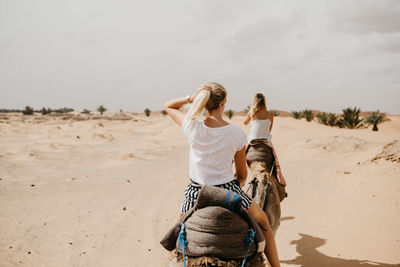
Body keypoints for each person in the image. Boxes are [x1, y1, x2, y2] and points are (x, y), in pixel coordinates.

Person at [164, 82, 281, 267]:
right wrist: (238, 183)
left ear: (204, 101)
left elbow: (169, 106)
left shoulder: (192, 126)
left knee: (175, 229)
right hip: (228, 191)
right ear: (223, 103)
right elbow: (242, 174)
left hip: (195, 192)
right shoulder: (236, 133)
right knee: (264, 223)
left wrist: (191, 98)